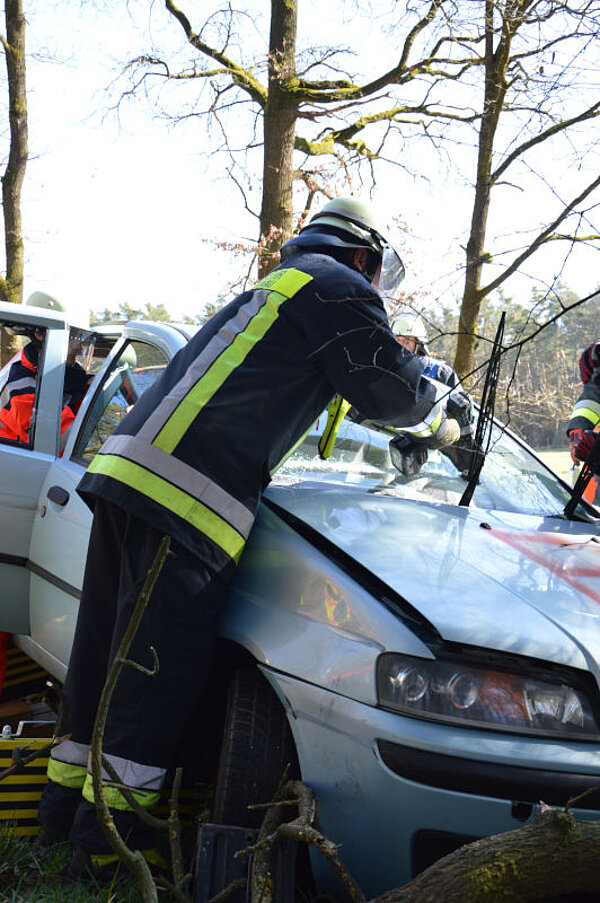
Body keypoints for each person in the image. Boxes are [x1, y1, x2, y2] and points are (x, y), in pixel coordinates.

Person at [36, 197, 460, 880]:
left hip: (128, 478)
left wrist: (409, 371)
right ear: (363, 257)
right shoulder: (339, 286)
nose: (377, 293)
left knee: (101, 662)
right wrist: (438, 406)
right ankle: (106, 852)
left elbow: (338, 384)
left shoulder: (281, 289)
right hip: (186, 498)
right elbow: (384, 392)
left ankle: (59, 817)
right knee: (150, 678)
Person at [0, 292, 93, 446]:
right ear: (39, 335)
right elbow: (55, 435)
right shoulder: (21, 385)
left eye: (82, 338)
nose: (79, 346)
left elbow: (85, 386)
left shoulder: (66, 373)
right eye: (73, 336)